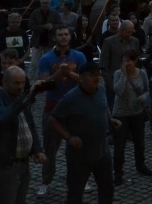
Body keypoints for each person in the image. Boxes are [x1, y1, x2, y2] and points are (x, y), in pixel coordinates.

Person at [48, 62, 121, 204]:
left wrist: (110, 119)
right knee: (75, 193)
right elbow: (52, 119)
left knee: (107, 188)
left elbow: (104, 105)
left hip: (102, 151)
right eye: (92, 75)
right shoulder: (70, 98)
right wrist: (69, 138)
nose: (97, 78)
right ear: (81, 78)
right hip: (79, 156)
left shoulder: (100, 89)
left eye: (98, 75)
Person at [0, 66, 47, 204]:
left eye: (23, 83)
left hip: (23, 164)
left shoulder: (21, 99)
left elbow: (30, 126)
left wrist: (37, 149)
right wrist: (25, 99)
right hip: (6, 165)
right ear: (4, 83)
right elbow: (3, 119)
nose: (21, 87)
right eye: (16, 83)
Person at [37, 26, 87, 198]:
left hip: (75, 107)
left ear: (70, 37)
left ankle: (79, 179)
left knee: (77, 147)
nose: (64, 37)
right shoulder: (46, 58)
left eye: (66, 34)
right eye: (60, 35)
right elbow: (42, 85)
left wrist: (70, 73)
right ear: (55, 38)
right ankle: (45, 181)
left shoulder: (79, 57)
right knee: (50, 148)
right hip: (53, 108)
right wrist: (58, 73)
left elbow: (86, 80)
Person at [112, 49, 152, 185]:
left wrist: (144, 97)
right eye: (123, 60)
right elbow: (118, 92)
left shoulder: (142, 74)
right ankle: (117, 171)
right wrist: (124, 74)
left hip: (137, 113)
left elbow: (147, 90)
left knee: (140, 143)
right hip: (121, 114)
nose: (126, 63)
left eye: (128, 60)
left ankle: (140, 165)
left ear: (135, 61)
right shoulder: (118, 74)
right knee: (119, 145)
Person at [100, 20, 140, 110]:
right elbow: (103, 65)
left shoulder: (135, 41)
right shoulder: (109, 42)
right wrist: (110, 83)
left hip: (131, 80)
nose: (130, 34)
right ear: (121, 30)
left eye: (132, 32)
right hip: (114, 80)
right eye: (128, 32)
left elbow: (137, 61)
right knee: (113, 107)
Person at [28, 0, 62, 82]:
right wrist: (43, 27)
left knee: (49, 63)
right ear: (40, 4)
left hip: (49, 42)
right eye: (43, 3)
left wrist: (52, 27)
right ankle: (30, 81)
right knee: (34, 64)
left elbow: (60, 25)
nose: (44, 5)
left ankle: (48, 80)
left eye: (46, 3)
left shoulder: (55, 13)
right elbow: (31, 26)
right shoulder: (35, 13)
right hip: (37, 42)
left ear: (49, 4)